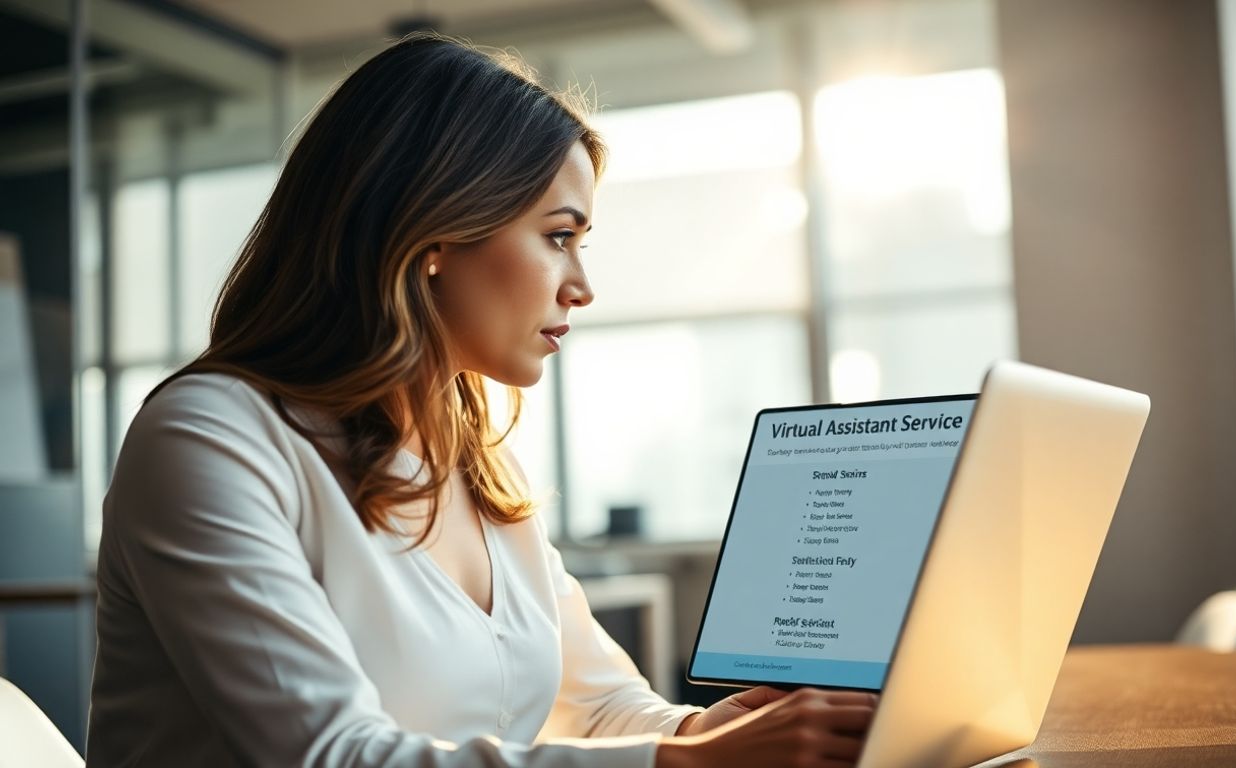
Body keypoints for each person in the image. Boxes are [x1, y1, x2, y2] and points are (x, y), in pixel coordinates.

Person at [86, 33, 876, 768]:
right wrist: (687, 763)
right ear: (435, 233)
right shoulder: (209, 439)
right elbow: (332, 755)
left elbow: (598, 707)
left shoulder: (478, 463)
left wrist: (713, 731)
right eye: (558, 237)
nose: (582, 286)